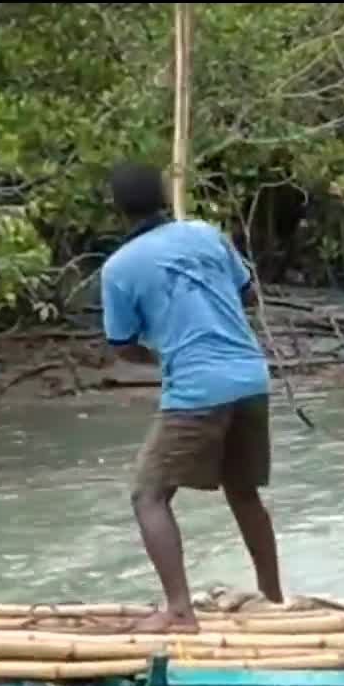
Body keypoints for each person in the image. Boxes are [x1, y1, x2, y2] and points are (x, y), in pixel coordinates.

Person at [100, 161, 283, 633]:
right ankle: (273, 595)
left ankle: (180, 609)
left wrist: (164, 352)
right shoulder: (206, 234)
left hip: (197, 388)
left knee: (149, 495)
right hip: (249, 376)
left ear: (117, 210)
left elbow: (121, 344)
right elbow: (245, 292)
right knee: (243, 493)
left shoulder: (119, 269)